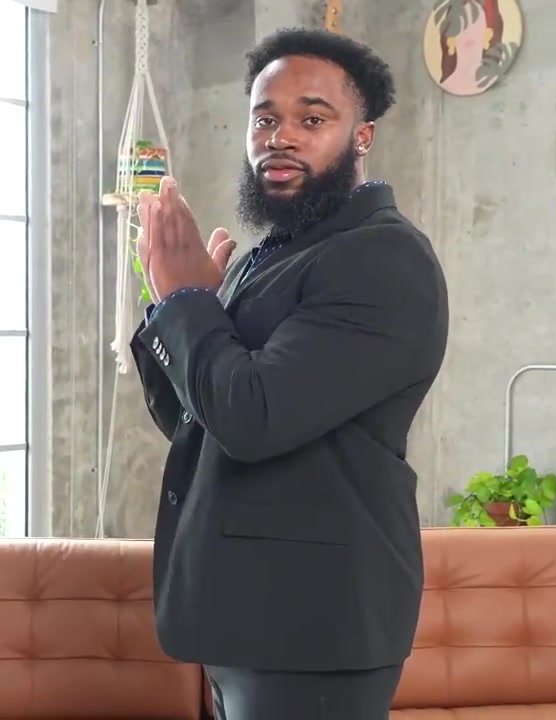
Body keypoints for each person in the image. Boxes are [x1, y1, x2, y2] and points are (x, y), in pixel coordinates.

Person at [129, 27, 450, 720]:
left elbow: (254, 417)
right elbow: (194, 419)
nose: (280, 138)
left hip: (317, 622)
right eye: (265, 119)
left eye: (312, 119)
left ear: (361, 136)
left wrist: (188, 303)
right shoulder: (265, 258)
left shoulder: (382, 259)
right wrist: (174, 305)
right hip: (245, 612)